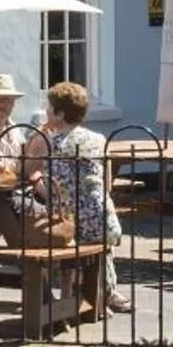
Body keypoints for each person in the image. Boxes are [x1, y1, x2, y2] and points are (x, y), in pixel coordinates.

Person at [40, 80, 130, 313]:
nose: (46, 111)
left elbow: (53, 189)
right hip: (104, 218)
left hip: (75, 224)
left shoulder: (54, 144)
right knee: (100, 249)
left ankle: (80, 301)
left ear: (59, 113)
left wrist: (35, 185)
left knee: (68, 242)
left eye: (49, 107)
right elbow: (107, 182)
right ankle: (105, 295)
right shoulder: (99, 139)